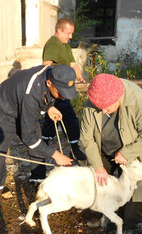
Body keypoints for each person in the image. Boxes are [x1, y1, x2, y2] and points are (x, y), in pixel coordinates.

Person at [0, 64, 77, 219]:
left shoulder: (51, 73)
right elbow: (28, 138)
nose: (63, 97)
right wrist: (56, 155)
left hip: (25, 105)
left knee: (37, 148)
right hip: (6, 110)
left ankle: (39, 188)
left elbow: (46, 97)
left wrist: (50, 107)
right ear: (49, 83)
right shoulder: (32, 92)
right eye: (61, 93)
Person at [80, 73, 142, 230]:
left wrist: (126, 153)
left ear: (118, 98)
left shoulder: (137, 99)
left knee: (131, 189)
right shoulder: (93, 101)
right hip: (105, 147)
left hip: (134, 148)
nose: (102, 112)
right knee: (101, 181)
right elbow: (87, 138)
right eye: (99, 108)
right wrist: (97, 166)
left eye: (106, 107)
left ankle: (126, 225)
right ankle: (100, 213)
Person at [41, 18, 87, 161]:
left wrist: (79, 77)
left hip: (64, 89)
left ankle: (43, 147)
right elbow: (45, 67)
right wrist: (53, 87)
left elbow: (73, 64)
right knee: (70, 119)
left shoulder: (65, 45)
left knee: (52, 120)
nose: (71, 37)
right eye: (68, 33)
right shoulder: (52, 45)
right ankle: (72, 150)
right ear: (59, 31)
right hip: (56, 90)